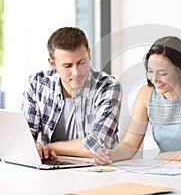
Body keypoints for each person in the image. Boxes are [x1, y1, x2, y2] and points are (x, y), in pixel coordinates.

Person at [94, 36, 181, 165]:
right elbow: (130, 145)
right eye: (150, 71)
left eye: (162, 73)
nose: (154, 79)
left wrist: (165, 157)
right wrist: (109, 155)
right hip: (164, 170)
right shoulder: (146, 93)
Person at [21, 27, 122, 160]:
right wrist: (35, 146)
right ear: (52, 64)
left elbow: (98, 146)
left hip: (96, 170)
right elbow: (24, 140)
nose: (76, 72)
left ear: (89, 54)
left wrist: (50, 147)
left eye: (82, 62)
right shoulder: (38, 84)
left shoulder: (107, 86)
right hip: (51, 168)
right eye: (68, 66)